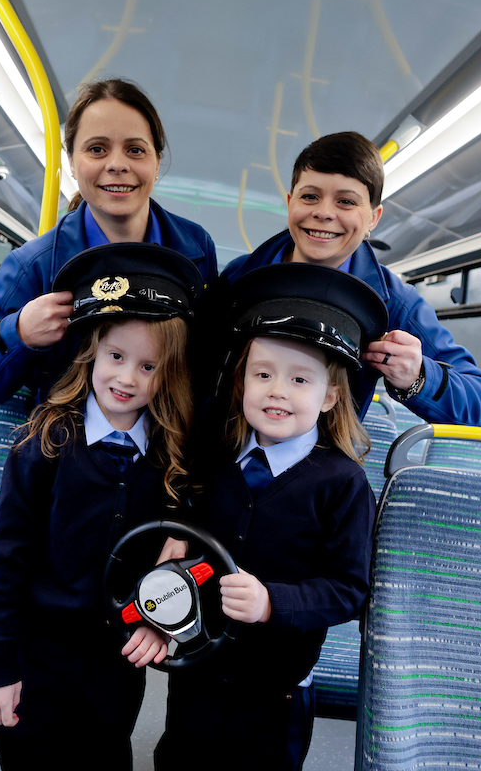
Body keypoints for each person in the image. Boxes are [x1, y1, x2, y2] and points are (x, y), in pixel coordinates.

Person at [0, 243, 203, 770]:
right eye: (116, 357)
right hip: (41, 650)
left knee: (106, 752)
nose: (127, 378)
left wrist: (161, 623)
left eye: (148, 366)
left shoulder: (172, 459)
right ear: (92, 352)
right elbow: (9, 560)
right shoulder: (46, 442)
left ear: (168, 374)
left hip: (119, 653)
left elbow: (181, 558)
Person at [155, 263, 384, 771]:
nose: (277, 390)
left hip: (275, 688)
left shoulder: (343, 484)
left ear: (329, 397)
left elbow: (348, 589)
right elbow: (186, 534)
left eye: (299, 379)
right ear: (241, 384)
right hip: (198, 668)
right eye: (262, 374)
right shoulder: (215, 462)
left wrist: (269, 603)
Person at [0, 78, 217, 408]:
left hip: (165, 446)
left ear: (156, 161)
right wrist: (19, 332)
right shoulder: (34, 264)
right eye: (97, 149)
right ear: (72, 164)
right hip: (64, 446)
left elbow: (204, 358)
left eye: (135, 150)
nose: (117, 164)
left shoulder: (196, 248)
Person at [216, 131, 481, 426]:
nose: (324, 213)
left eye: (346, 202)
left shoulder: (394, 304)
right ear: (291, 202)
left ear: (373, 219)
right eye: (310, 197)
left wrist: (418, 376)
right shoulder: (239, 278)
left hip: (322, 466)